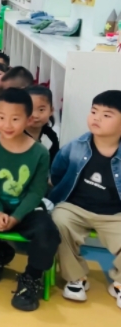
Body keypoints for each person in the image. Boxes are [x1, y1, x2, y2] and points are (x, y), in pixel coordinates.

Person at [0, 89, 60, 312]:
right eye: (1, 117)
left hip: (27, 211)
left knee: (48, 235)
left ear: (28, 120)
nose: (7, 124)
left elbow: (37, 192)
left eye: (15, 119)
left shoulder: (40, 152)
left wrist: (16, 217)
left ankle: (31, 278)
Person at [49, 90, 121, 306]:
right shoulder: (76, 145)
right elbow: (57, 172)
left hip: (114, 214)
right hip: (75, 207)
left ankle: (118, 282)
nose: (96, 118)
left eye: (107, 115)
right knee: (58, 221)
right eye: (94, 111)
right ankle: (76, 278)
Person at [26, 85, 60, 162]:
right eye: (30, 109)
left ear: (51, 110)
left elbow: (54, 163)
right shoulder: (16, 135)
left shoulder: (51, 135)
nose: (35, 115)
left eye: (41, 110)